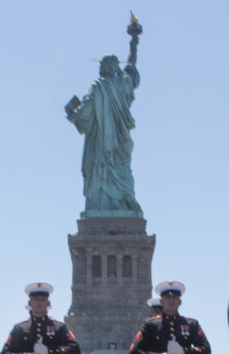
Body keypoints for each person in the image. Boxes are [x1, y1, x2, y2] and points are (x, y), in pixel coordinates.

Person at [65, 19, 143, 217]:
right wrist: (134, 41)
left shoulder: (101, 87)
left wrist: (73, 114)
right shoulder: (119, 84)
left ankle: (106, 206)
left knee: (107, 172)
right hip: (113, 147)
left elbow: (83, 115)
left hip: (104, 148)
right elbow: (132, 64)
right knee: (121, 172)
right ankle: (118, 205)